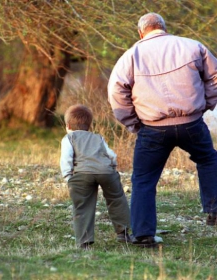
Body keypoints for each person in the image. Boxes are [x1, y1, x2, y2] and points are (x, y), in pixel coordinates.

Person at [108, 12, 217, 247]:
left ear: (141, 32)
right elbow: (214, 77)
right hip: (192, 123)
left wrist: (133, 122)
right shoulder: (192, 46)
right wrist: (207, 104)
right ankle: (214, 208)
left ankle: (144, 234)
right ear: (163, 28)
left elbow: (117, 92)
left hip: (152, 129)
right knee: (208, 160)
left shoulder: (131, 56)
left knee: (144, 180)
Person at [60, 104, 131, 249]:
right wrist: (112, 168)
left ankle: (84, 242)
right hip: (106, 172)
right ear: (89, 125)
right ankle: (123, 233)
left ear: (67, 125)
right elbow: (112, 155)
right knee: (117, 199)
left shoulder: (69, 138)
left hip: (82, 174)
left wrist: (68, 176)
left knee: (83, 205)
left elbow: (66, 158)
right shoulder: (98, 137)